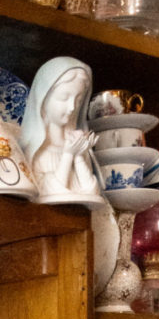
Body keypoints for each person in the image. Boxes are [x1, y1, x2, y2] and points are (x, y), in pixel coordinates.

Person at [20, 57, 104, 207]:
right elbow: (51, 191)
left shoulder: (77, 147)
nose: (72, 107)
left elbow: (91, 191)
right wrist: (68, 155)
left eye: (78, 100)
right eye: (64, 97)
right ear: (43, 99)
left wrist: (78, 155)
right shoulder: (36, 152)